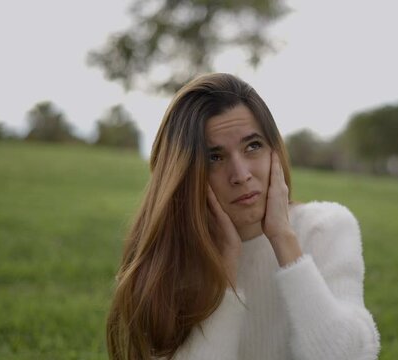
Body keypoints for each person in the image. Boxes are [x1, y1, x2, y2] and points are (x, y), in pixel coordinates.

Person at [106, 73, 380, 360]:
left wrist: (284, 240)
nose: (241, 174)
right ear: (186, 174)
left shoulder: (325, 228)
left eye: (253, 146)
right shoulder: (175, 256)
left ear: (275, 150)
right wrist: (225, 274)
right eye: (215, 157)